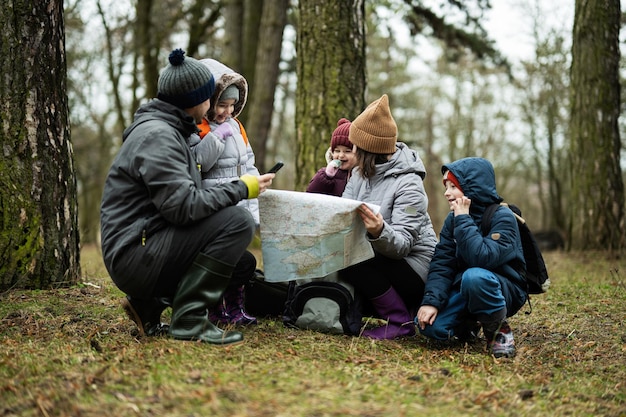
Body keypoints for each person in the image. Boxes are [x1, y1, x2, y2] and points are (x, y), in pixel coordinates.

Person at [100, 49, 275, 346]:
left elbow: (179, 201)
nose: (211, 106)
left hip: (145, 244)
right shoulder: (159, 137)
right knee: (237, 221)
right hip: (134, 255)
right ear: (196, 100)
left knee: (240, 259)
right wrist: (241, 189)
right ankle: (190, 320)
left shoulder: (169, 131)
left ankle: (148, 305)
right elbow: (184, 208)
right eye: (209, 98)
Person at [339, 94, 438, 340]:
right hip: (380, 257)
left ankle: (400, 321)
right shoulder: (360, 174)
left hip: (417, 268)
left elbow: (403, 245)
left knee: (357, 259)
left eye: (355, 146)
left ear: (367, 149)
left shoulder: (410, 184)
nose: (351, 151)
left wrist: (379, 230)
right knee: (343, 255)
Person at [415, 157, 527, 358]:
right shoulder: (453, 219)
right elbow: (443, 263)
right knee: (431, 328)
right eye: (446, 186)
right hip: (466, 286)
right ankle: (470, 323)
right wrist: (431, 302)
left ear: (472, 188)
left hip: (503, 288)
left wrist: (464, 219)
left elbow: (482, 258)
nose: (446, 192)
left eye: (453, 187)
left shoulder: (503, 217)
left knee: (474, 276)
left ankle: (499, 334)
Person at [188, 58, 261, 326]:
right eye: (222, 104)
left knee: (238, 259)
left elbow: (248, 165)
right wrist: (217, 138)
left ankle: (236, 306)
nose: (227, 112)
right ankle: (214, 308)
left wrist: (254, 207)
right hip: (214, 201)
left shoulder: (238, 126)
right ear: (209, 99)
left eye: (232, 106)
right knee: (220, 258)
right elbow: (200, 163)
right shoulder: (199, 128)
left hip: (239, 199)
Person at [306, 118, 356, 196]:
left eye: (347, 151)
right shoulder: (328, 174)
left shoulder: (361, 175)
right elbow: (311, 193)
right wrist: (326, 176)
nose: (341, 155)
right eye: (337, 151)